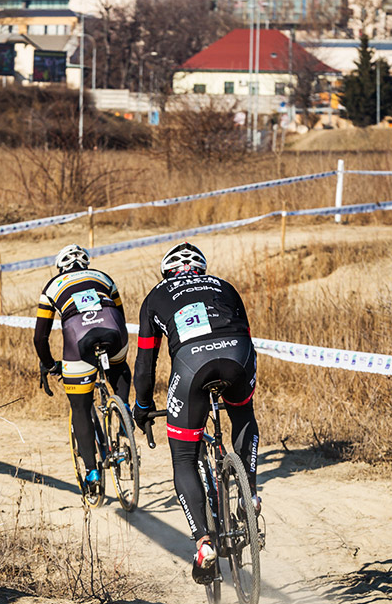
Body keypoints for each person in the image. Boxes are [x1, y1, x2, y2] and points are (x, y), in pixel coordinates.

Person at [132, 242, 260, 584]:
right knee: (243, 414)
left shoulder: (156, 296)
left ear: (167, 273)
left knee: (184, 455)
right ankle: (252, 494)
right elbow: (246, 335)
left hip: (192, 365)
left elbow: (146, 363)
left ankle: (203, 542)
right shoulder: (224, 285)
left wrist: (142, 407)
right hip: (238, 355)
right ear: (200, 270)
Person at [34, 244, 131, 493]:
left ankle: (91, 471)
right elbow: (119, 314)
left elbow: (39, 338)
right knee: (119, 367)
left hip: (79, 339)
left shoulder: (52, 286)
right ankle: (123, 416)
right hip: (114, 333)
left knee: (80, 406)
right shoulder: (103, 277)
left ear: (60, 268)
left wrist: (48, 364)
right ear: (85, 264)